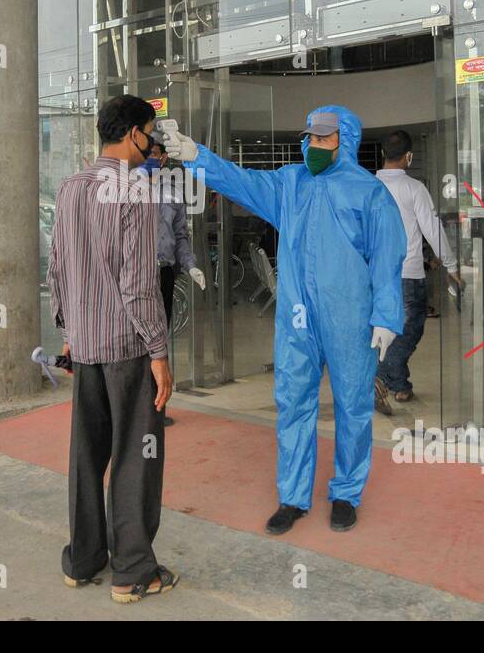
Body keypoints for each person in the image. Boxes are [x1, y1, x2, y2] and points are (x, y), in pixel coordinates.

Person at [164, 106, 406, 535]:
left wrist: (386, 315)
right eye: (311, 137)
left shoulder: (368, 193)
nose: (316, 145)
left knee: (353, 405)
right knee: (294, 402)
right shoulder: (289, 184)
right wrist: (195, 155)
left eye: (325, 138)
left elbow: (388, 256)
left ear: (344, 141)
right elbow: (241, 181)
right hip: (298, 318)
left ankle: (346, 492)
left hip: (350, 318)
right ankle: (293, 497)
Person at [47, 94, 178, 603]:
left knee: (87, 451)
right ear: (131, 134)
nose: (153, 143)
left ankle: (82, 561)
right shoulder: (133, 191)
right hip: (127, 346)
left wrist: (68, 330)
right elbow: (139, 282)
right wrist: (160, 351)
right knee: (135, 455)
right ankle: (133, 572)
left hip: (85, 344)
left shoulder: (71, 188)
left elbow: (56, 267)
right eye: (150, 132)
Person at [374, 130, 461, 412]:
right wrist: (451, 264)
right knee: (412, 327)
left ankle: (400, 386)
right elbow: (432, 228)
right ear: (408, 156)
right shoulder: (413, 188)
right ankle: (381, 375)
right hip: (408, 273)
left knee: (386, 329)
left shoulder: (369, 186)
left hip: (376, 274)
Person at [143, 133, 207, 427]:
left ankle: (156, 407)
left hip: (164, 272)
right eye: (146, 153)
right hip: (137, 274)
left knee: (160, 339)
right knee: (138, 341)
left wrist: (191, 265)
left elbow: (180, 236)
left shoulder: (173, 191)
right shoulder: (125, 188)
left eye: (155, 153)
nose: (151, 158)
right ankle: (136, 410)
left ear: (164, 158)